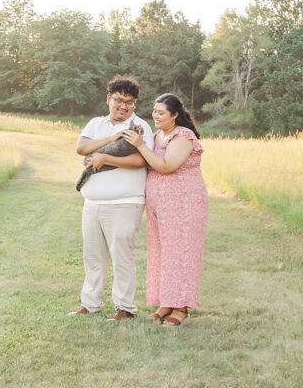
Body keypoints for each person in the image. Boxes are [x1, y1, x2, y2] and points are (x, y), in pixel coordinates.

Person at [69, 76, 154, 320]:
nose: (123, 106)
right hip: (93, 202)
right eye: (118, 100)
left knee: (121, 255)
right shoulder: (96, 123)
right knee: (93, 256)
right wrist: (111, 139)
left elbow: (141, 160)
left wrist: (106, 158)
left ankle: (125, 308)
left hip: (125, 202)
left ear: (134, 105)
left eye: (129, 102)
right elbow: (81, 148)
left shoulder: (141, 127)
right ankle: (90, 304)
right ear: (109, 99)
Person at [123, 92, 208, 327]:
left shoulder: (183, 136)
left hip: (184, 203)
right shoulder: (157, 135)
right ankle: (165, 303)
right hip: (160, 206)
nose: (155, 115)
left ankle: (180, 308)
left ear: (175, 115)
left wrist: (140, 145)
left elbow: (167, 166)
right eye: (154, 111)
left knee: (181, 253)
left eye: (161, 112)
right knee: (161, 252)